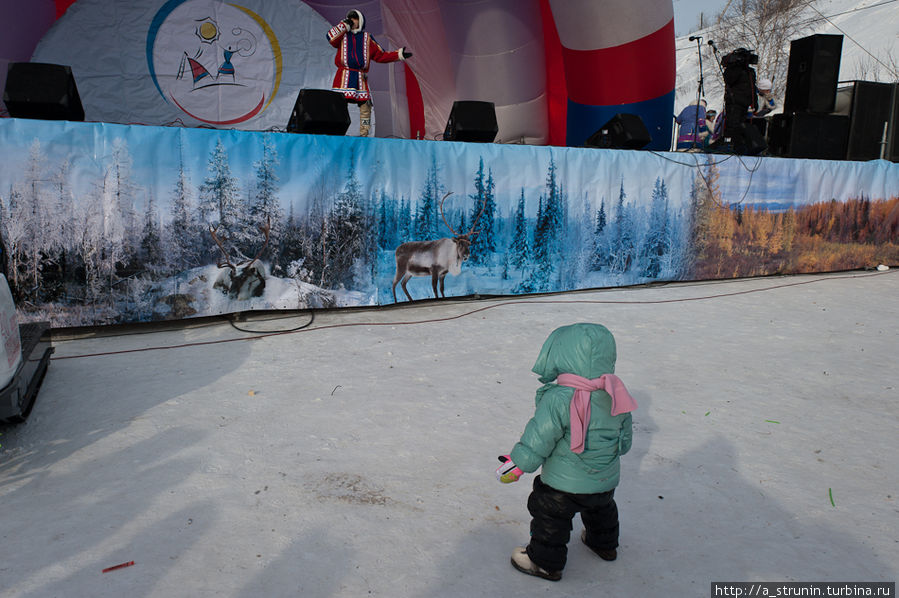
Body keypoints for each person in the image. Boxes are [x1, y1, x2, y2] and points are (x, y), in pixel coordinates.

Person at [495, 323, 638, 582]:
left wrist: (518, 464)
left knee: (550, 515)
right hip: (604, 480)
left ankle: (544, 562)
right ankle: (604, 544)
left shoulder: (559, 398)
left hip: (562, 486)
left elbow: (539, 438)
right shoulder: (615, 393)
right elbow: (625, 441)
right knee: (601, 509)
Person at [326, 9, 412, 137]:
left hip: (360, 77)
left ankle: (364, 133)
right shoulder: (342, 35)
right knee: (339, 104)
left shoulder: (367, 38)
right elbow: (330, 37)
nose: (352, 20)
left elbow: (380, 55)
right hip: (344, 75)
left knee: (365, 105)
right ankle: (337, 132)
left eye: (355, 18)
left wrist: (398, 55)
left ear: (360, 21)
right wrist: (344, 25)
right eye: (350, 18)